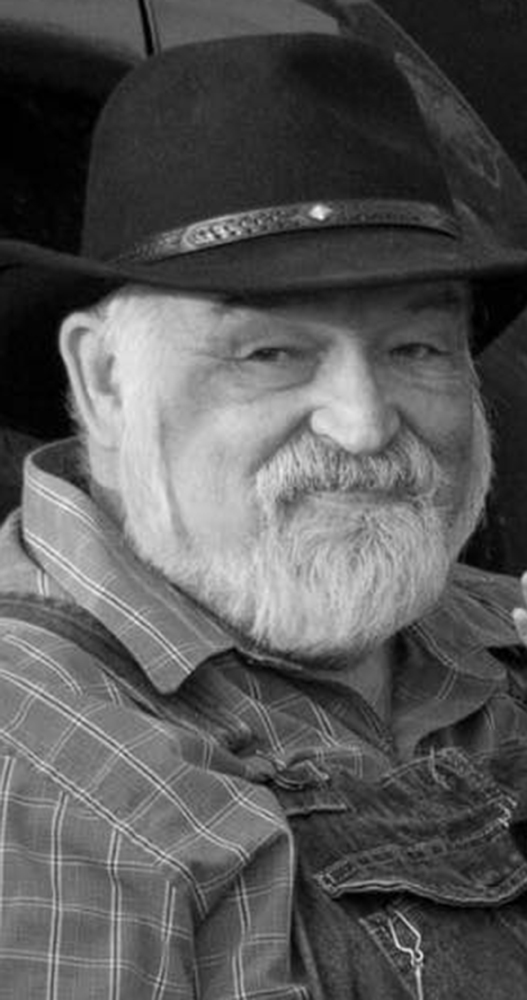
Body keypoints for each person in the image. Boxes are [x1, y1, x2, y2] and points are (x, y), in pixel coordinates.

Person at [1, 29, 527, 999]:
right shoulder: (42, 775)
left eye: (416, 347)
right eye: (270, 355)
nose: (366, 427)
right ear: (106, 379)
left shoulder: (487, 635)